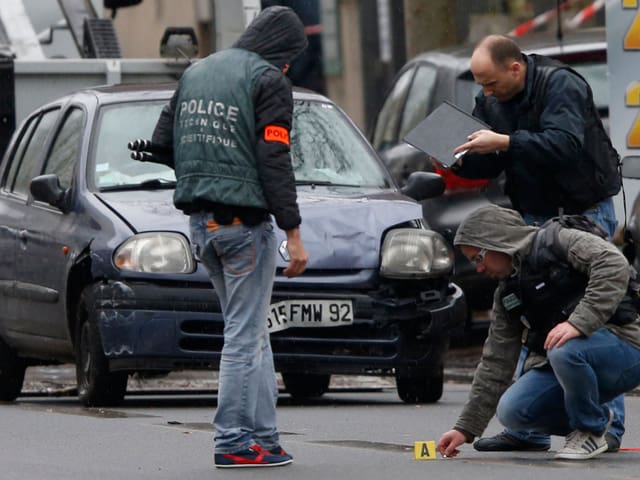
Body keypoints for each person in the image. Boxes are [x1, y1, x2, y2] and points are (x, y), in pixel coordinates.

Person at [145, 6, 309, 468]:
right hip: (243, 226)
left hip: (201, 224)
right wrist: (293, 232)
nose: (288, 67)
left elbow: (161, 142)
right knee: (243, 335)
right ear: (281, 49)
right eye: (289, 57)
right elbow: (274, 158)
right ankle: (233, 440)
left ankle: (266, 438)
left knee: (254, 332)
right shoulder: (268, 80)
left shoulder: (198, 72)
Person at [448, 33, 624, 452]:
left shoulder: (561, 84)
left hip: (582, 209)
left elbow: (564, 145)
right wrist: (457, 155)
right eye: (480, 84)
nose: (485, 93)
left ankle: (608, 428)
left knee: (589, 317)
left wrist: (505, 142)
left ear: (516, 67)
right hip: (532, 213)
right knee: (532, 313)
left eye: (491, 83)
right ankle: (527, 429)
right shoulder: (490, 99)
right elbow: (487, 165)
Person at [437, 205, 640, 460]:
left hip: (627, 345)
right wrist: (465, 428)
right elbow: (495, 361)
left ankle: (590, 430)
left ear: (498, 241)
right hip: (570, 358)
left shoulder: (559, 240)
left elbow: (612, 263)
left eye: (478, 258)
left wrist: (578, 322)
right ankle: (597, 421)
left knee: (563, 349)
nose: (478, 269)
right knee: (513, 411)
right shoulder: (507, 293)